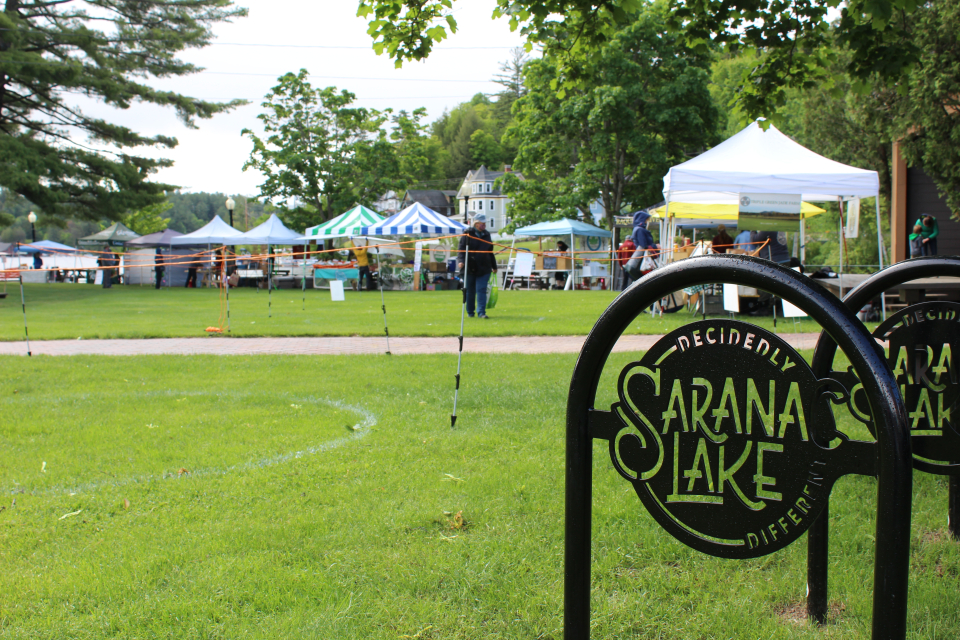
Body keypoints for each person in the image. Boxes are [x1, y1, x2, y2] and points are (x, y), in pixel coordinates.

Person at [457, 213, 497, 318]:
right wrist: (461, 261)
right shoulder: (467, 234)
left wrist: (494, 266)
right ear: (476, 223)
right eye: (481, 223)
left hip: (484, 267)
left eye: (484, 223)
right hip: (470, 267)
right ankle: (470, 312)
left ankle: (481, 313)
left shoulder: (487, 235)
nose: (484, 225)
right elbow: (461, 249)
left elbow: (490, 252)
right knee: (470, 291)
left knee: (481, 289)